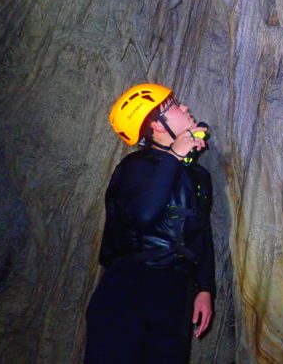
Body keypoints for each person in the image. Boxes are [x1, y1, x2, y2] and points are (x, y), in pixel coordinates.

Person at [85, 83, 216, 364]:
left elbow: (201, 232)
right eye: (175, 106)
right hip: (128, 290)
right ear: (156, 125)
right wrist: (174, 157)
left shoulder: (198, 176)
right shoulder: (135, 167)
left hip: (175, 293)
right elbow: (144, 215)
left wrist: (204, 288)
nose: (185, 107)